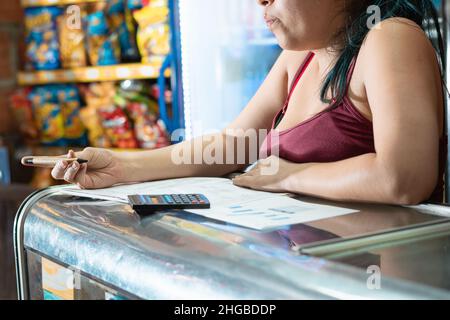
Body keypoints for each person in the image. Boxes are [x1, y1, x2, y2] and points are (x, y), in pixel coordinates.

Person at [51, 0, 447, 205]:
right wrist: (124, 166)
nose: (261, 1)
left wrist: (287, 176)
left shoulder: (389, 37)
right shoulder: (301, 57)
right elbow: (233, 145)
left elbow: (403, 179)